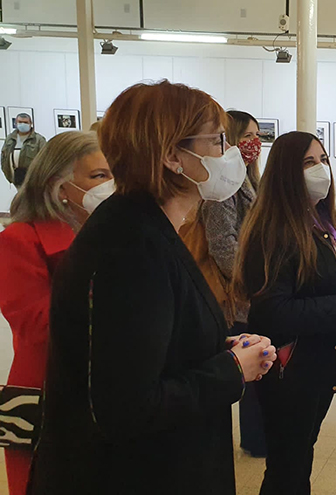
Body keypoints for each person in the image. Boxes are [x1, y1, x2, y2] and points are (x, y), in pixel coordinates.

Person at [29, 80, 277, 494]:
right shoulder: (131, 247)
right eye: (217, 141)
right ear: (171, 156)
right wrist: (231, 370)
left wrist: (221, 349)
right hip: (132, 473)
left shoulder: (145, 229)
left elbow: (152, 351)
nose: (229, 153)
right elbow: (128, 406)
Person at [236, 131, 336, 494]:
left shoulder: (318, 223)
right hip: (289, 373)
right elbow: (273, 312)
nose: (321, 169)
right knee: (287, 469)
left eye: (323, 160)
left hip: (314, 367)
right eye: (309, 162)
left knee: (297, 460)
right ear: (286, 172)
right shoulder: (274, 231)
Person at [0, 131, 113, 495]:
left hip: (106, 389)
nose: (111, 185)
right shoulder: (19, 239)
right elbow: (37, 325)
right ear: (60, 186)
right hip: (44, 396)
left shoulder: (108, 234)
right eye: (98, 176)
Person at [182, 109, 266, 457]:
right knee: (246, 363)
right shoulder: (223, 189)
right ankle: (255, 438)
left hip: (245, 290)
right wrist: (252, 283)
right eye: (246, 137)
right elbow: (222, 244)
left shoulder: (247, 180)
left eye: (257, 136)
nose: (253, 144)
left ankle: (256, 437)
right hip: (235, 295)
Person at [2, 113, 47, 188]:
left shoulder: (38, 139)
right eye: (20, 122)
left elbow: (45, 159)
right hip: (16, 175)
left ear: (31, 124)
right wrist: (8, 174)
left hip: (32, 177)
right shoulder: (10, 138)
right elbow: (4, 156)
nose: (22, 124)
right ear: (15, 123)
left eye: (26, 122)